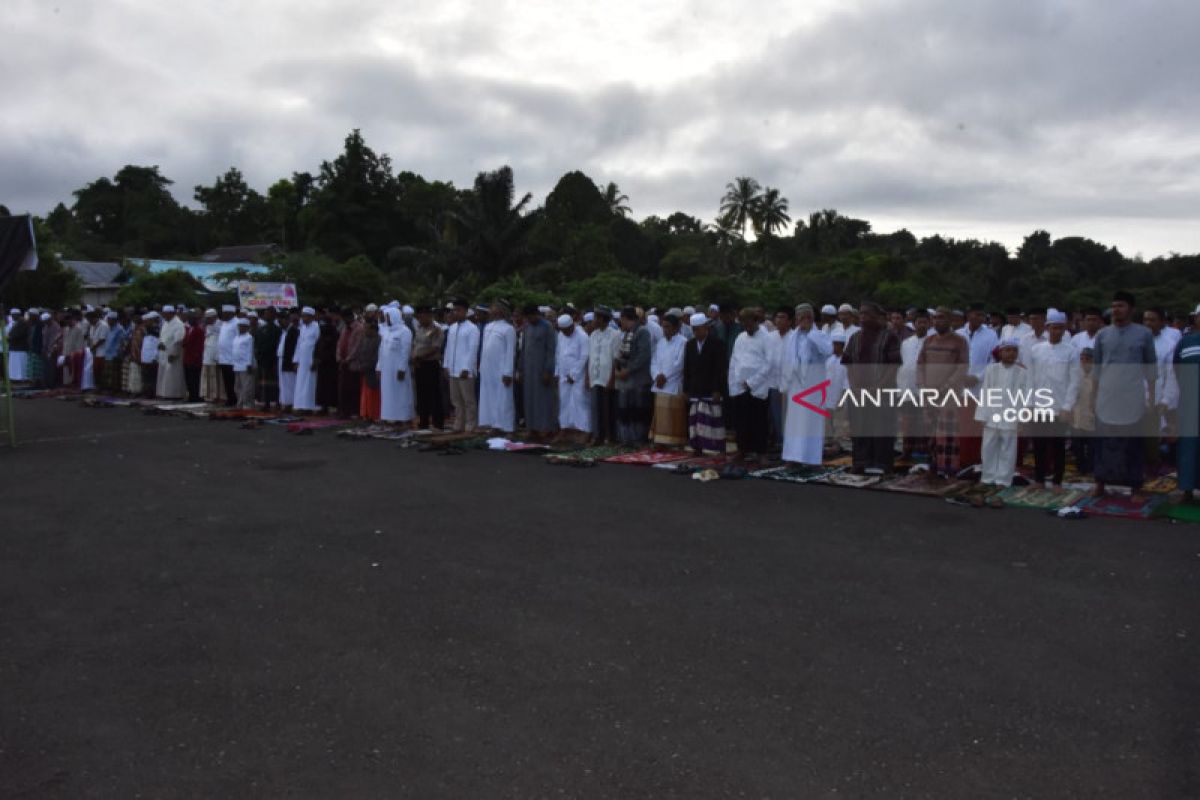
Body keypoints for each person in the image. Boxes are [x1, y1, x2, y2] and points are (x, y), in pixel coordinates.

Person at [1091, 291, 1157, 497]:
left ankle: (1135, 486)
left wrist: (1151, 399)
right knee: (1103, 442)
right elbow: (1097, 370)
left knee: (1133, 443)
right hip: (1107, 396)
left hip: (1132, 396)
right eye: (1114, 305)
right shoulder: (1102, 335)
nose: (1116, 310)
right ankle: (1100, 483)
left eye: (1120, 305)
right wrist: (1093, 398)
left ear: (1131, 309)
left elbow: (1151, 370)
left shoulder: (1143, 334)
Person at [840, 301, 902, 474]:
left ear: (876, 317)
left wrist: (879, 386)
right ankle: (860, 462)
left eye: (866, 314)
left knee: (882, 428)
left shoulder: (889, 337)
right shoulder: (855, 337)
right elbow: (848, 363)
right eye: (860, 314)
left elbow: (893, 366)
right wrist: (855, 386)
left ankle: (882, 464)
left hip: (882, 391)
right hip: (859, 392)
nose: (862, 318)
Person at [1027, 309, 1081, 488]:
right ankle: (1039, 479)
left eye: (1060, 328)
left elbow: (1075, 380)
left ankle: (1057, 480)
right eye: (1053, 328)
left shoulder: (1071, 352)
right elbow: (1030, 378)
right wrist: (1029, 404)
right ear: (1047, 328)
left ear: (1064, 329)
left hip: (1059, 405)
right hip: (1038, 404)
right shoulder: (1036, 350)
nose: (1056, 331)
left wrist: (1068, 406)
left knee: (1057, 445)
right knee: (1039, 444)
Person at [917, 307, 969, 480]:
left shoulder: (959, 341)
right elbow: (920, 365)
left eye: (942, 318)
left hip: (948, 394)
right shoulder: (928, 341)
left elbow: (962, 368)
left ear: (950, 320)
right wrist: (923, 386)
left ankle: (949, 470)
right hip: (929, 394)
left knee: (948, 434)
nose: (938, 321)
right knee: (930, 433)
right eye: (936, 318)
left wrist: (945, 387)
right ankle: (933, 466)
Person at [780, 304, 832, 465]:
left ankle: (810, 458)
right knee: (794, 423)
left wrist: (811, 333)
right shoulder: (792, 337)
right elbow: (787, 360)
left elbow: (828, 350)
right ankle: (793, 457)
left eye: (807, 317)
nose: (803, 320)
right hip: (796, 385)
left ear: (811, 318)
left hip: (813, 386)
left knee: (811, 423)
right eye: (800, 317)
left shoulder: (819, 335)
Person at [976, 339, 1029, 491]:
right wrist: (982, 415)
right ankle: (987, 477)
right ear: (1000, 353)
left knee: (1008, 449)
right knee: (988, 447)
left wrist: (1022, 418)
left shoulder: (1022, 372)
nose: (1011, 353)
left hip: (1011, 415)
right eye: (1007, 350)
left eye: (1014, 350)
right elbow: (985, 391)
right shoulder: (992, 369)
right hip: (992, 415)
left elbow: (1024, 396)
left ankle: (1003, 480)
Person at [726, 308, 772, 463]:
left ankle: (761, 452)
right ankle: (742, 450)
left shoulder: (766, 338)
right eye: (744, 324)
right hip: (740, 386)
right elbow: (734, 360)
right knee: (741, 421)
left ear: (756, 321)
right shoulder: (740, 337)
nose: (747, 327)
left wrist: (752, 382)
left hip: (758, 386)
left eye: (749, 323)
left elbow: (769, 364)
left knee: (759, 421)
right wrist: (734, 383)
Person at [683, 312, 728, 455]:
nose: (696, 332)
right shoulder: (689, 345)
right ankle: (697, 447)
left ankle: (715, 447)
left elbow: (720, 368)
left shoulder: (717, 344)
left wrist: (717, 389)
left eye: (698, 329)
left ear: (705, 327)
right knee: (696, 421)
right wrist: (686, 390)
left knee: (712, 419)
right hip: (695, 387)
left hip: (711, 388)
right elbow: (687, 368)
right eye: (693, 329)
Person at [614, 307, 653, 445]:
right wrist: (618, 368)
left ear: (626, 319)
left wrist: (627, 370)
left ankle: (638, 439)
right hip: (627, 380)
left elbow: (643, 356)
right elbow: (622, 355)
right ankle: (626, 438)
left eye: (621, 320)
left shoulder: (642, 332)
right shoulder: (627, 333)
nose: (620, 323)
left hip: (639, 380)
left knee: (638, 411)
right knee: (625, 410)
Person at [478, 301, 517, 433]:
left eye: (494, 307)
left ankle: (507, 427)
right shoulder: (488, 326)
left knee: (503, 398)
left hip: (501, 369)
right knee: (489, 397)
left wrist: (508, 372)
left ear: (501, 310)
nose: (491, 309)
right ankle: (494, 425)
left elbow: (511, 351)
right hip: (488, 368)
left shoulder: (508, 328)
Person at [519, 305, 557, 441]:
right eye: (527, 317)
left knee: (543, 400)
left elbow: (551, 351)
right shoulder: (527, 327)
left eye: (530, 316)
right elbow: (523, 349)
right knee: (529, 399)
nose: (529, 319)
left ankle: (545, 429)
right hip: (528, 370)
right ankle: (532, 428)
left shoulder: (547, 327)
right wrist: (521, 369)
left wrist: (548, 370)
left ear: (537, 314)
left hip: (542, 370)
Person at [649, 313, 687, 449]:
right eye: (663, 327)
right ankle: (660, 441)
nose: (665, 330)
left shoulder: (683, 342)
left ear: (676, 327)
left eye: (668, 327)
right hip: (659, 383)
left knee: (673, 416)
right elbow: (653, 362)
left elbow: (679, 364)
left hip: (673, 383)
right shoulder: (660, 342)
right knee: (661, 415)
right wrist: (657, 375)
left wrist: (665, 376)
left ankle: (674, 442)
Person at [897, 308, 931, 458]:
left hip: (925, 388)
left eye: (924, 322)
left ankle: (924, 452)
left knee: (923, 422)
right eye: (919, 322)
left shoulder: (932, 341)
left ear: (929, 324)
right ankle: (907, 451)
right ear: (914, 324)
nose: (921, 325)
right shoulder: (906, 343)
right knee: (908, 422)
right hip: (907, 387)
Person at [443, 298, 480, 433]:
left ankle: (471, 424)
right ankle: (459, 423)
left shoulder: (472, 328)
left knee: (468, 400)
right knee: (456, 400)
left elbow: (473, 349)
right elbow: (448, 348)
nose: (455, 313)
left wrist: (467, 367)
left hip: (465, 370)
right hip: (453, 369)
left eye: (458, 310)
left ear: (465, 311)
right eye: (454, 310)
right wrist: (446, 365)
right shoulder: (452, 328)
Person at [587, 306, 621, 445]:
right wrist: (587, 377)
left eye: (597, 317)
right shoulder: (593, 334)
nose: (594, 320)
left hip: (607, 377)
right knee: (596, 408)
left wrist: (612, 379)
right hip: (595, 376)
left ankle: (610, 437)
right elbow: (590, 357)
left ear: (603, 319)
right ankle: (597, 436)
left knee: (609, 409)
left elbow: (616, 359)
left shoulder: (615, 334)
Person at [554, 313, 591, 443]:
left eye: (566, 330)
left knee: (580, 402)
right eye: (562, 330)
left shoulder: (582, 336)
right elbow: (558, 354)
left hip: (578, 376)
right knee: (564, 402)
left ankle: (584, 431)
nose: (564, 333)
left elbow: (584, 357)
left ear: (572, 326)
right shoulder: (561, 335)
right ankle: (564, 429)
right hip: (563, 375)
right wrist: (557, 372)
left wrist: (574, 374)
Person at [1173, 327, 1200, 501]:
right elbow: (1176, 369)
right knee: (1189, 447)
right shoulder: (1186, 342)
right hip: (1190, 399)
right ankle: (1187, 489)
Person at [377, 306, 414, 424]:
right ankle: (390, 417)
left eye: (388, 317)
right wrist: (378, 367)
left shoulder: (405, 331)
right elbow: (381, 351)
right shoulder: (386, 331)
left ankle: (403, 418)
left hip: (398, 369)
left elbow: (405, 351)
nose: (386, 320)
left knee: (401, 394)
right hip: (386, 369)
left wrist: (402, 368)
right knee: (388, 393)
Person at [411, 305, 446, 431]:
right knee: (421, 395)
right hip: (419, 365)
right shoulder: (419, 329)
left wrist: (419, 357)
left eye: (422, 317)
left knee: (434, 395)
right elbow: (415, 345)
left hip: (431, 364)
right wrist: (413, 357)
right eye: (419, 317)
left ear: (429, 316)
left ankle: (438, 423)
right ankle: (423, 422)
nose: (420, 319)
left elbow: (435, 347)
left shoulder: (436, 329)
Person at [292, 307, 320, 413]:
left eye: (305, 316)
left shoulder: (316, 327)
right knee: (300, 383)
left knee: (309, 383)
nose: (303, 318)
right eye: (302, 315)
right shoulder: (302, 328)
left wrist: (316, 360)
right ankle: (300, 406)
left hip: (310, 360)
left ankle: (308, 407)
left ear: (311, 317)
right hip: (302, 360)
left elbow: (318, 345)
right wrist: (296, 360)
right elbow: (299, 345)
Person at [353, 318, 382, 422]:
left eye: (367, 328)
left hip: (373, 370)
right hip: (365, 370)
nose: (365, 330)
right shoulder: (365, 339)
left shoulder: (379, 340)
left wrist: (365, 366)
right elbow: (360, 352)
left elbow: (376, 358)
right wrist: (360, 364)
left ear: (373, 330)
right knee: (366, 394)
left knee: (373, 394)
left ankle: (374, 415)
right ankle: (366, 414)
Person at [253, 308, 282, 410]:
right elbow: (256, 343)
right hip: (262, 359)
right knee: (264, 384)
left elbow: (277, 344)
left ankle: (278, 402)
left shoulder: (277, 329)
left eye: (269, 314)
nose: (266, 316)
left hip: (273, 360)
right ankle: (266, 403)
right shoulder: (260, 329)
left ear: (274, 315)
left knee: (274, 383)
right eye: (265, 314)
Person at [156, 304, 186, 399]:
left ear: (171, 313)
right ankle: (164, 393)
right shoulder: (165, 323)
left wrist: (173, 353)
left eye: (165, 314)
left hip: (173, 354)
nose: (164, 316)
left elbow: (178, 341)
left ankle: (174, 395)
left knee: (173, 376)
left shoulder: (178, 324)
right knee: (164, 374)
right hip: (164, 353)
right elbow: (162, 337)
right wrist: (160, 343)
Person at [335, 308, 361, 418]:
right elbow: (339, 343)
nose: (344, 320)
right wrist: (339, 356)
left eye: (346, 318)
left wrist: (348, 358)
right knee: (343, 388)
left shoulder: (359, 328)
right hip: (343, 362)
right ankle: (344, 411)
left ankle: (354, 411)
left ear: (350, 317)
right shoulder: (344, 328)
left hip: (353, 363)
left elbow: (357, 346)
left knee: (353, 388)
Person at [314, 311, 341, 414]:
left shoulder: (334, 333)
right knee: (322, 387)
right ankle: (323, 407)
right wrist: (316, 358)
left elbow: (334, 349)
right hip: (322, 364)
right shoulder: (322, 334)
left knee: (331, 387)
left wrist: (324, 358)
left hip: (331, 364)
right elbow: (317, 347)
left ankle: (331, 406)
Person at [231, 317, 256, 409]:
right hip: (236, 365)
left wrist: (249, 364)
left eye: (242, 326)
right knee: (237, 387)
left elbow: (250, 351)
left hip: (246, 365)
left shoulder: (249, 337)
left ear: (246, 327)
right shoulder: (236, 337)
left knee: (247, 387)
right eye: (239, 326)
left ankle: (247, 405)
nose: (240, 328)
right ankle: (240, 403)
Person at [200, 309, 224, 403]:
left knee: (217, 377)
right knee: (207, 376)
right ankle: (208, 396)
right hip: (207, 355)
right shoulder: (208, 326)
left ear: (214, 317)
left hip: (216, 355)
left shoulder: (220, 325)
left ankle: (218, 396)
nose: (207, 320)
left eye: (209, 318)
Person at [217, 305, 239, 406]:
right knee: (226, 381)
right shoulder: (224, 323)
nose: (223, 315)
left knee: (233, 381)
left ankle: (234, 399)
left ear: (231, 313)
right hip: (223, 357)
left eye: (225, 313)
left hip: (232, 358)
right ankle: (230, 398)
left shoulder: (237, 323)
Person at [277, 311, 299, 411]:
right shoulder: (284, 331)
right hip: (282, 359)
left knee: (290, 382)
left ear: (287, 320)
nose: (280, 323)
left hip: (289, 360)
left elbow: (295, 348)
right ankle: (285, 403)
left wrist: (294, 361)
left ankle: (291, 404)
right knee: (283, 383)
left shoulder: (294, 331)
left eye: (282, 320)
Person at [182, 310, 205, 402]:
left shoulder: (198, 330)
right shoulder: (189, 329)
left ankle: (195, 396)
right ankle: (191, 395)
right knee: (188, 378)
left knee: (194, 379)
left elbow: (199, 345)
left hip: (194, 358)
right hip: (187, 357)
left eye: (191, 319)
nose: (189, 320)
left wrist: (195, 357)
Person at [138, 312, 160, 398]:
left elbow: (156, 347)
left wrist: (155, 357)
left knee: (152, 378)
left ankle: (151, 394)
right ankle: (146, 393)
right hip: (145, 359)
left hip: (152, 359)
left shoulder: (156, 334)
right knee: (145, 378)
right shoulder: (146, 334)